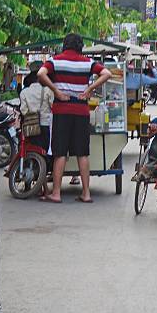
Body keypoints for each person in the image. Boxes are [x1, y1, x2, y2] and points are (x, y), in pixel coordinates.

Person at [37, 33, 112, 203]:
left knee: (60, 153)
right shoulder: (88, 62)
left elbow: (41, 74)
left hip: (61, 111)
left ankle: (56, 193)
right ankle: (86, 193)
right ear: (80, 46)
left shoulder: (55, 61)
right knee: (82, 153)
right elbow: (107, 73)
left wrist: (55, 90)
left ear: (65, 44)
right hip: (81, 111)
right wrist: (89, 89)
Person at [19, 73, 54, 151]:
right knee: (46, 148)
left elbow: (23, 111)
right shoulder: (48, 90)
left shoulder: (24, 92)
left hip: (31, 125)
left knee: (32, 147)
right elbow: (53, 106)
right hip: (45, 124)